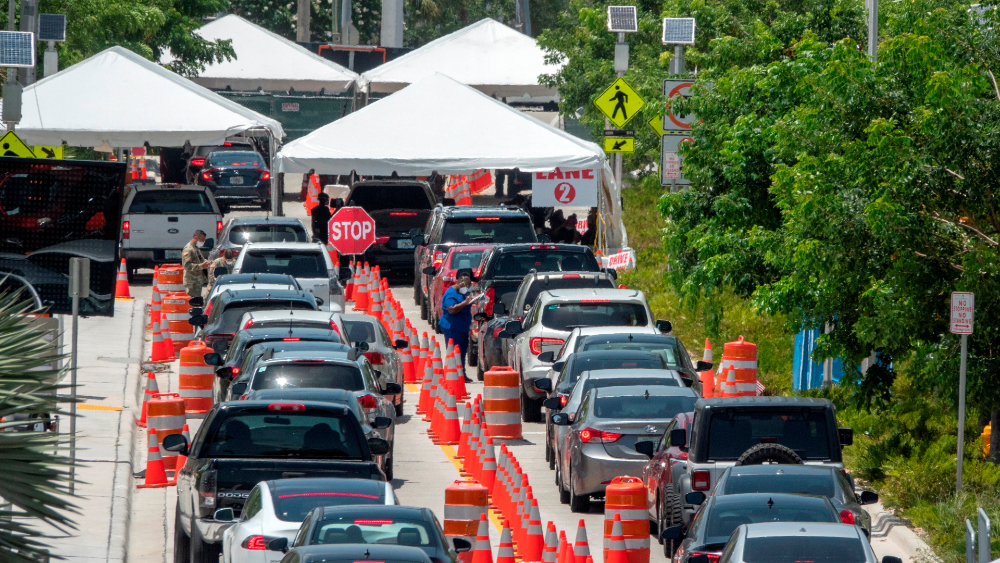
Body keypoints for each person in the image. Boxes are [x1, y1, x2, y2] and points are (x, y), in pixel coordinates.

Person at [439, 268, 476, 383]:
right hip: (453, 328)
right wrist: (465, 303)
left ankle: (461, 374)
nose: (468, 288)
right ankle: (453, 375)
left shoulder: (461, 293)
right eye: (467, 285)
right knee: (455, 352)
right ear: (460, 282)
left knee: (462, 352)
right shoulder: (451, 294)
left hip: (462, 328)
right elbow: (451, 309)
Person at [182, 230, 212, 298]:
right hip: (191, 283)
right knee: (192, 302)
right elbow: (187, 266)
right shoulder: (189, 249)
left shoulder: (196, 248)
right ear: (196, 237)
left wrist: (209, 263)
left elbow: (201, 259)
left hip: (197, 281)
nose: (203, 242)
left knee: (197, 301)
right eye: (201, 240)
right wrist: (201, 266)